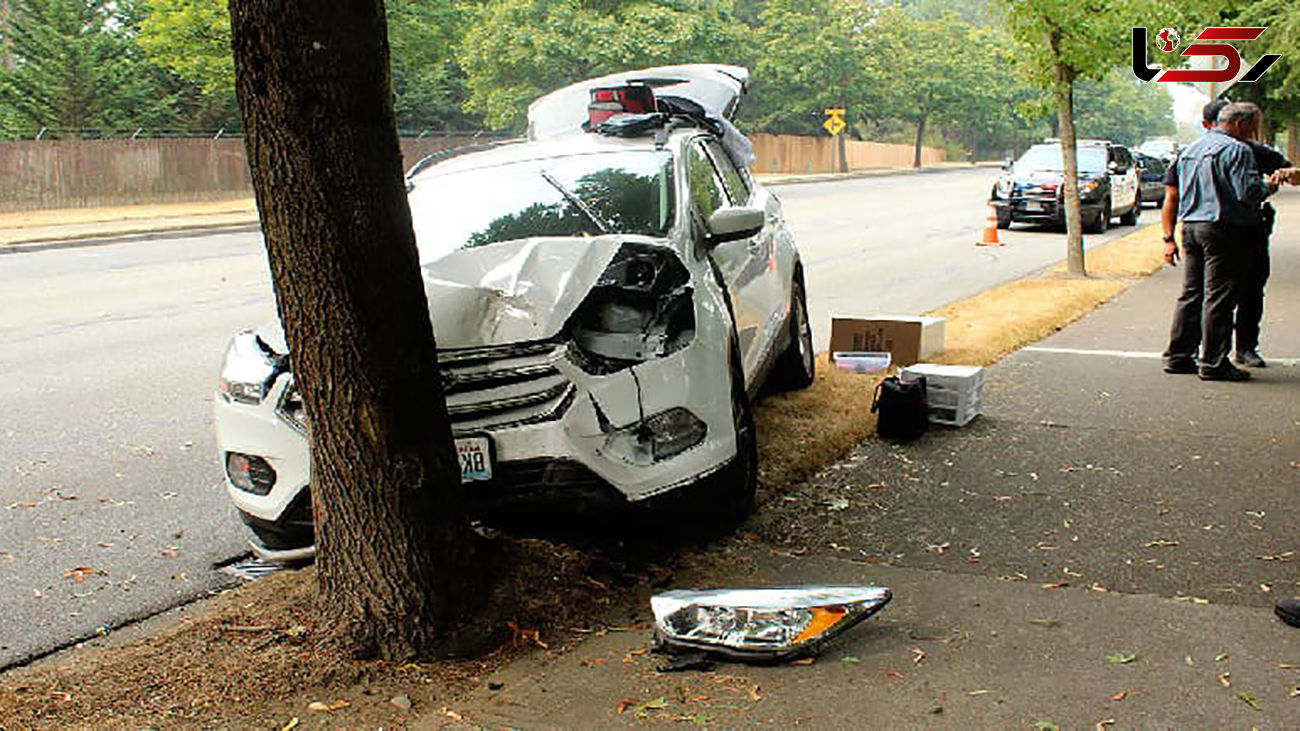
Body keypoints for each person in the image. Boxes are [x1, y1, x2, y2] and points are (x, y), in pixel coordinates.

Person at [1161, 100, 1291, 369]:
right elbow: (1248, 193)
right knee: (1220, 295)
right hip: (1224, 228)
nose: (1253, 134)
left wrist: (1170, 237)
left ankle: (1179, 355)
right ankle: (1214, 361)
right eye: (1252, 128)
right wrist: (1270, 186)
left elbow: (1176, 194)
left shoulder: (1190, 150)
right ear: (1240, 124)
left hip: (1192, 226)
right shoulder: (1238, 150)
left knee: (1192, 293)